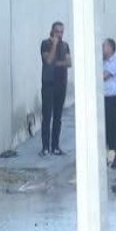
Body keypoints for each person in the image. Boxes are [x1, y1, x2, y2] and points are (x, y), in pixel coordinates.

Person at [40, 21, 72, 157]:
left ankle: (55, 146)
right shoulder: (45, 44)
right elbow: (48, 60)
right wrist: (53, 45)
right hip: (48, 84)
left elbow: (69, 63)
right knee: (47, 116)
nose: (59, 34)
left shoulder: (65, 46)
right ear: (52, 31)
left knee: (58, 117)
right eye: (57, 31)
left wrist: (56, 63)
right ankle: (45, 147)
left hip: (61, 84)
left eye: (61, 32)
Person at [102, 38, 116, 169]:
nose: (102, 49)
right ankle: (104, 155)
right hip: (102, 98)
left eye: (104, 47)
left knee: (113, 125)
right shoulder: (100, 60)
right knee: (103, 127)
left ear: (110, 48)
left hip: (113, 97)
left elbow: (104, 76)